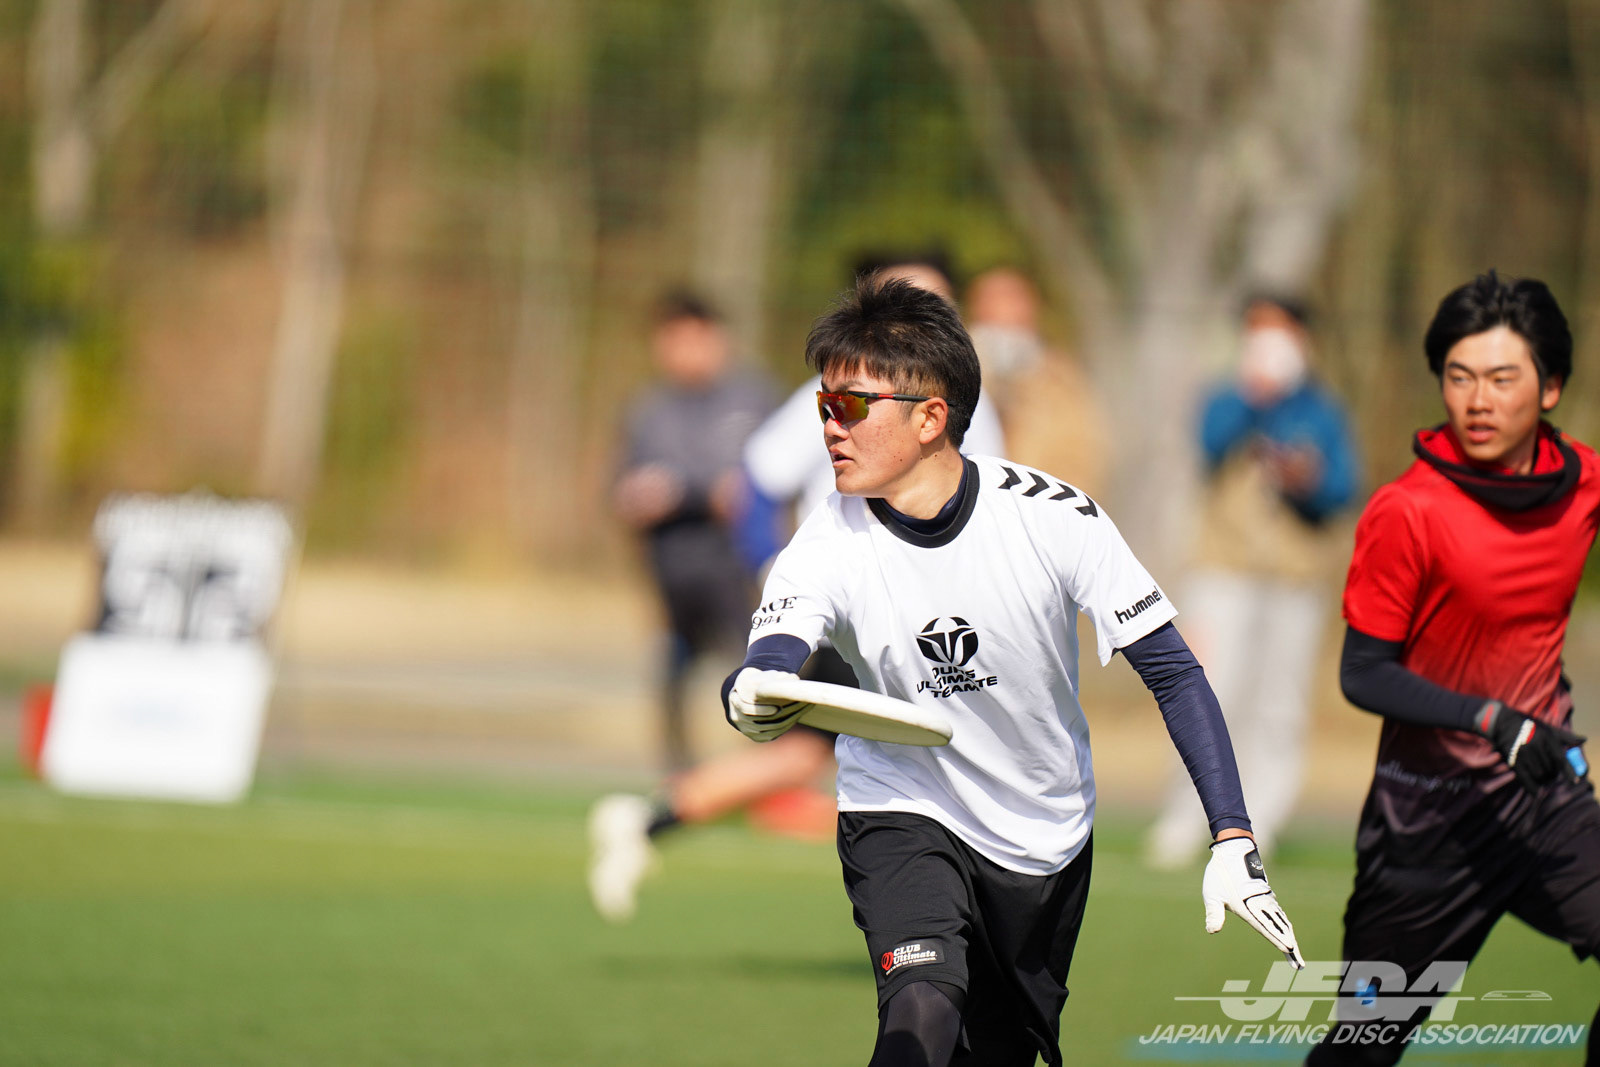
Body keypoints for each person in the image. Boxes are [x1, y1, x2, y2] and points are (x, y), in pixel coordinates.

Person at [723, 276, 1304, 1067]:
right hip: (900, 802)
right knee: (921, 1006)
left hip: (1043, 832)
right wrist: (753, 690)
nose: (829, 425)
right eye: (825, 405)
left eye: (850, 405)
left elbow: (1173, 671)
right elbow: (774, 655)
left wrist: (1232, 834)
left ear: (931, 417)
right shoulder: (825, 541)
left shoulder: (1052, 517)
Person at [587, 258, 1004, 923]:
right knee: (933, 751)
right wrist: (776, 573)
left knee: (808, 754)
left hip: (929, 613)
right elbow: (756, 481)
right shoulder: (840, 389)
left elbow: (988, 508)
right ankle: (946, 922)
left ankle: (646, 820)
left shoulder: (965, 402)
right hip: (860, 613)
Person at [1305, 271, 1599, 1066]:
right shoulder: (1408, 509)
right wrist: (1490, 718)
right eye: (1460, 377)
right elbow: (1363, 673)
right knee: (1363, 1048)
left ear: (1551, 387)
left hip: (1545, 799)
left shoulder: (1584, 483)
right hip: (1428, 825)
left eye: (1502, 379)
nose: (1477, 400)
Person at [1145, 294, 1358, 868]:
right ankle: (1186, 817)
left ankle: (1261, 822)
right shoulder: (1225, 398)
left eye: (1279, 332)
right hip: (1223, 570)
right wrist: (1253, 400)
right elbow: (1209, 446)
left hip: (1294, 578)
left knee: (1279, 706)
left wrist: (1308, 480)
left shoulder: (1323, 411)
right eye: (1257, 331)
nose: (1267, 344)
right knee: (1205, 690)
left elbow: (1343, 488)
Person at [611, 292, 772, 775]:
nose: (683, 352)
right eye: (672, 341)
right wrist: (636, 497)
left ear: (717, 339)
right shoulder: (648, 410)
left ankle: (766, 779)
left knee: (759, 679)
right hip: (672, 570)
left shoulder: (755, 399)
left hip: (738, 571)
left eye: (693, 340)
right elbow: (620, 489)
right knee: (671, 680)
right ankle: (679, 783)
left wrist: (690, 491)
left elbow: (752, 488)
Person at [964, 266, 1109, 499]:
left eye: (1014, 298)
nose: (1006, 310)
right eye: (993, 298)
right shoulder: (956, 370)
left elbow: (1083, 453)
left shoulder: (1060, 377)